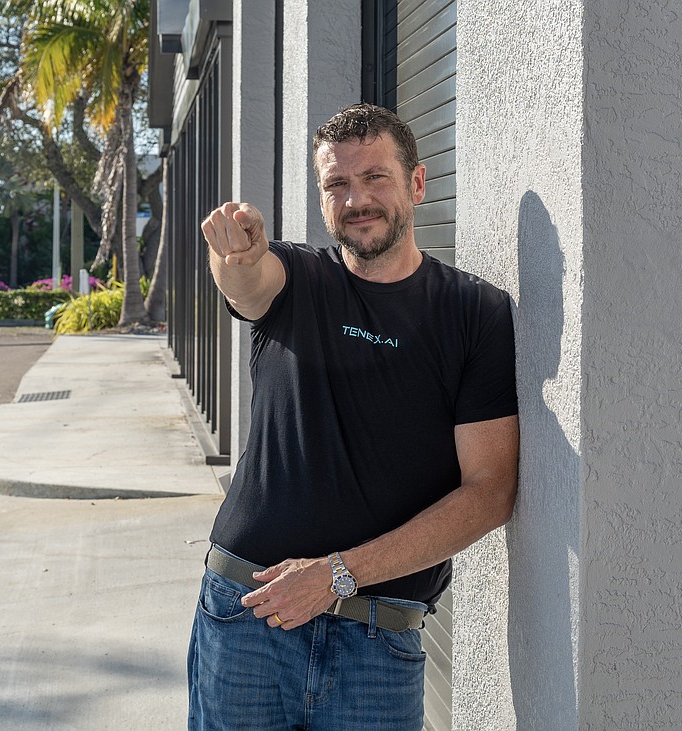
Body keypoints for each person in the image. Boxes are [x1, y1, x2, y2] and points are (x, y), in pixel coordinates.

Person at [188, 102, 519, 730]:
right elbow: (249, 283)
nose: (356, 199)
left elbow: (491, 492)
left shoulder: (475, 314)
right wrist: (235, 256)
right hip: (245, 617)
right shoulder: (302, 281)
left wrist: (336, 575)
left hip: (378, 643)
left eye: (375, 178)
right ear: (321, 199)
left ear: (417, 184)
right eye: (337, 184)